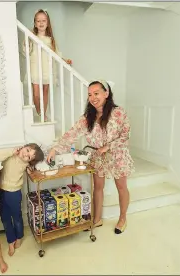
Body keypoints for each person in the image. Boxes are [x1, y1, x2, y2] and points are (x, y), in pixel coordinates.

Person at [46, 80, 135, 234]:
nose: (93, 97)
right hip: (97, 157)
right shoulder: (88, 117)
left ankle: (122, 218)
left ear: (106, 94)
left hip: (117, 155)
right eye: (90, 94)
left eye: (96, 93)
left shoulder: (119, 112)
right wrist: (55, 149)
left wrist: (108, 146)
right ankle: (97, 219)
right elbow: (72, 134)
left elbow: (125, 136)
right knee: (97, 188)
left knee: (121, 187)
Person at [0, 143, 44, 255]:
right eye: (27, 150)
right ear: (23, 146)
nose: (26, 155)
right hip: (1, 191)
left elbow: (32, 170)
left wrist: (31, 168)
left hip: (15, 193)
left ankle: (19, 237)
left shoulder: (25, 164)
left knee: (17, 217)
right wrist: (11, 151)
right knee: (5, 218)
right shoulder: (11, 155)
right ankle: (11, 241)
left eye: (29, 157)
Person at [24, 9, 72, 120]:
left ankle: (43, 113)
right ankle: (39, 111)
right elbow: (26, 50)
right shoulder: (32, 36)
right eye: (38, 21)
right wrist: (26, 42)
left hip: (47, 68)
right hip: (36, 67)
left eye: (43, 21)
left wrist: (64, 60)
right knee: (36, 93)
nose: (41, 23)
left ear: (47, 22)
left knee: (45, 91)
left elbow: (56, 53)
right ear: (35, 23)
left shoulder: (51, 40)